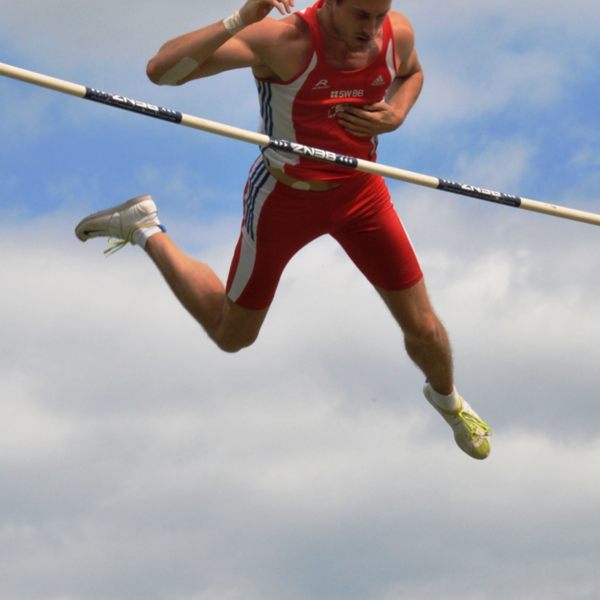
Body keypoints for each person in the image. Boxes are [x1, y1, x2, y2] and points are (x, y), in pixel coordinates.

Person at [75, 0, 492, 459]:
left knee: (425, 328)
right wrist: (241, 19)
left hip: (361, 195)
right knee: (232, 335)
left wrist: (398, 111)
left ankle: (450, 404)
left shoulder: (397, 33)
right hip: (282, 196)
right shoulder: (283, 40)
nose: (371, 30)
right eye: (360, 15)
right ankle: (145, 228)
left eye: (379, 15)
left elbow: (411, 74)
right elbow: (163, 72)